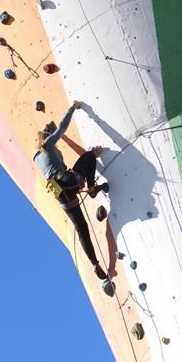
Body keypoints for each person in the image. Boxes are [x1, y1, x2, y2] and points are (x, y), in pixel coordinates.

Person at [34, 100, 109, 279]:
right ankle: (92, 188)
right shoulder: (47, 145)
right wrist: (71, 109)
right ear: (46, 136)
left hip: (61, 195)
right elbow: (61, 128)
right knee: (89, 156)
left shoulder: (37, 158)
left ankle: (94, 263)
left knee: (81, 227)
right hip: (68, 181)